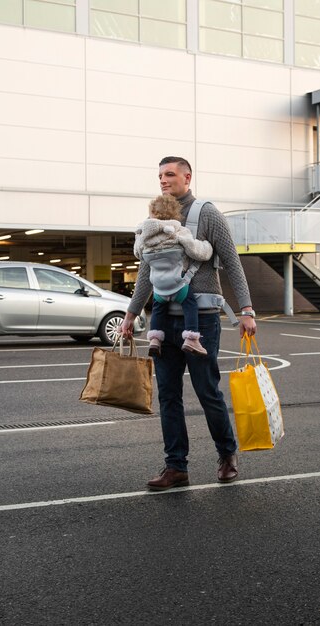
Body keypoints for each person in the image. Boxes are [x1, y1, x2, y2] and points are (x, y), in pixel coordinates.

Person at [120, 156, 256, 490]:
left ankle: (227, 454)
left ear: (187, 177)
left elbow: (232, 262)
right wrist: (132, 312)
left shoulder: (207, 213)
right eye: (160, 176)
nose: (163, 180)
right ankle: (175, 466)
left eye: (169, 175)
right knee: (168, 395)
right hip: (163, 322)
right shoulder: (155, 217)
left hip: (202, 320)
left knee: (207, 391)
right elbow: (147, 271)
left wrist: (247, 309)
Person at [134, 194, 213, 357]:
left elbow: (138, 253)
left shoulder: (143, 236)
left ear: (152, 214)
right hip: (178, 284)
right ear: (175, 214)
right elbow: (197, 251)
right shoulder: (178, 232)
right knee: (190, 305)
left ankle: (155, 339)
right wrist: (207, 246)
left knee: (158, 310)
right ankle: (191, 338)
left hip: (158, 287)